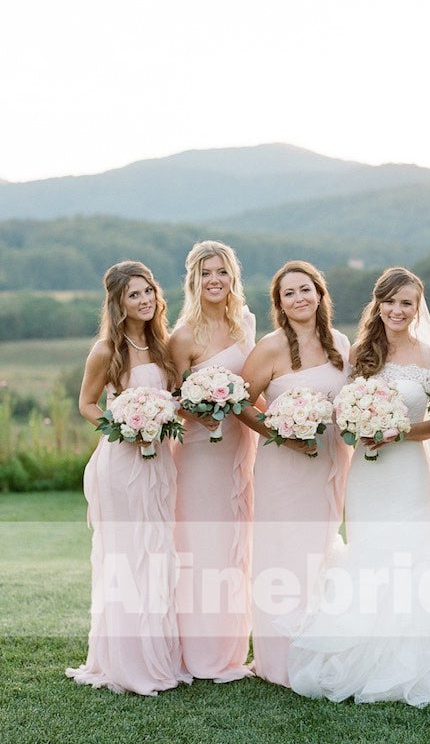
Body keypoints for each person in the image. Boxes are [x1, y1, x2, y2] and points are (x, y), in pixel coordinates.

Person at [286, 266, 430, 707]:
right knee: (369, 548)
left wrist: (398, 432)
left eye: (406, 303)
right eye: (390, 301)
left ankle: (411, 658)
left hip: (407, 469)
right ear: (378, 304)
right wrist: (362, 426)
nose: (397, 310)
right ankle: (363, 654)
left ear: (417, 308)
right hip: (368, 473)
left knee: (410, 550)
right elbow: (344, 411)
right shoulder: (361, 351)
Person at [66, 261, 190, 696]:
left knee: (156, 552)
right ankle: (124, 661)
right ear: (118, 303)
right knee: (126, 555)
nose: (144, 300)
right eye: (134, 294)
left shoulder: (162, 347)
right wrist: (122, 429)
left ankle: (157, 657)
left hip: (159, 462)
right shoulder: (106, 350)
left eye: (149, 291)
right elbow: (87, 403)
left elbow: (176, 399)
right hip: (121, 463)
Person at [239, 260, 353, 687]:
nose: (299, 298)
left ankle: (317, 644)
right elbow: (242, 404)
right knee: (282, 550)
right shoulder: (270, 347)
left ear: (320, 294)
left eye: (306, 289)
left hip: (328, 459)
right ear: (279, 304)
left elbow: (349, 400)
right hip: (283, 464)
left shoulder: (340, 343)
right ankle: (279, 658)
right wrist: (282, 433)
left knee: (319, 547)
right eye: (289, 293)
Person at [170, 240, 257, 681]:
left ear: (233, 278)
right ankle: (198, 650)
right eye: (206, 273)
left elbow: (254, 385)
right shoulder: (183, 336)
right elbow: (172, 401)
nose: (215, 280)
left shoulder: (246, 324)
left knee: (232, 544)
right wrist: (200, 406)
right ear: (194, 281)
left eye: (222, 272)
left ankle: (228, 648)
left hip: (240, 447)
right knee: (201, 544)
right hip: (200, 451)